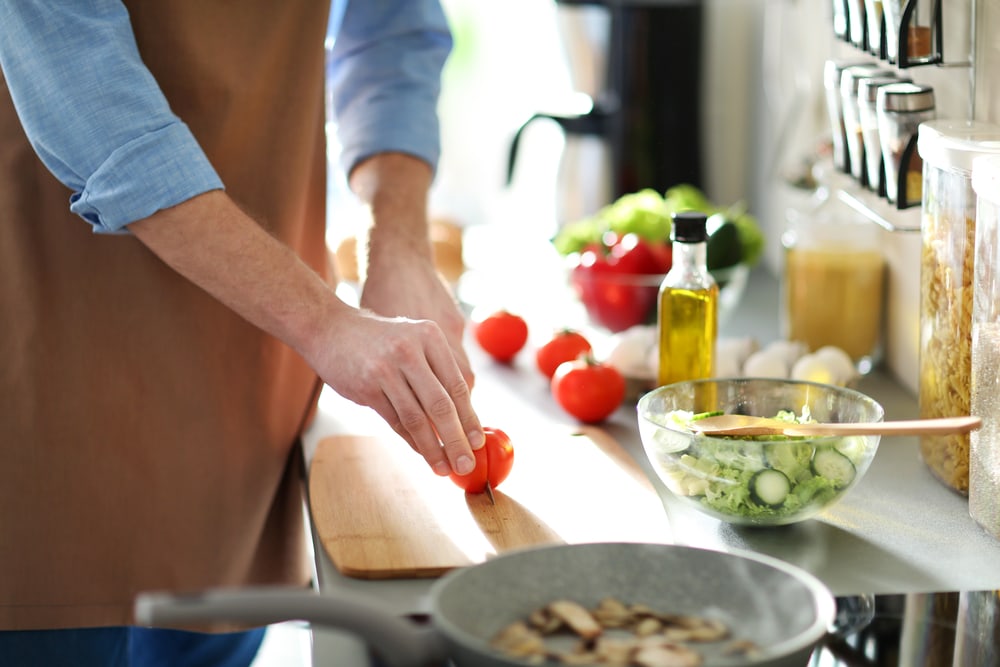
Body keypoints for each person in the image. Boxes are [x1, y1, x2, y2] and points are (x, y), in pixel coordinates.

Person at [0, 1, 483, 665]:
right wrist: (324, 321)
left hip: (252, 364)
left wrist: (397, 246)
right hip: (58, 340)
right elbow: (87, 96)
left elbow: (390, 35)